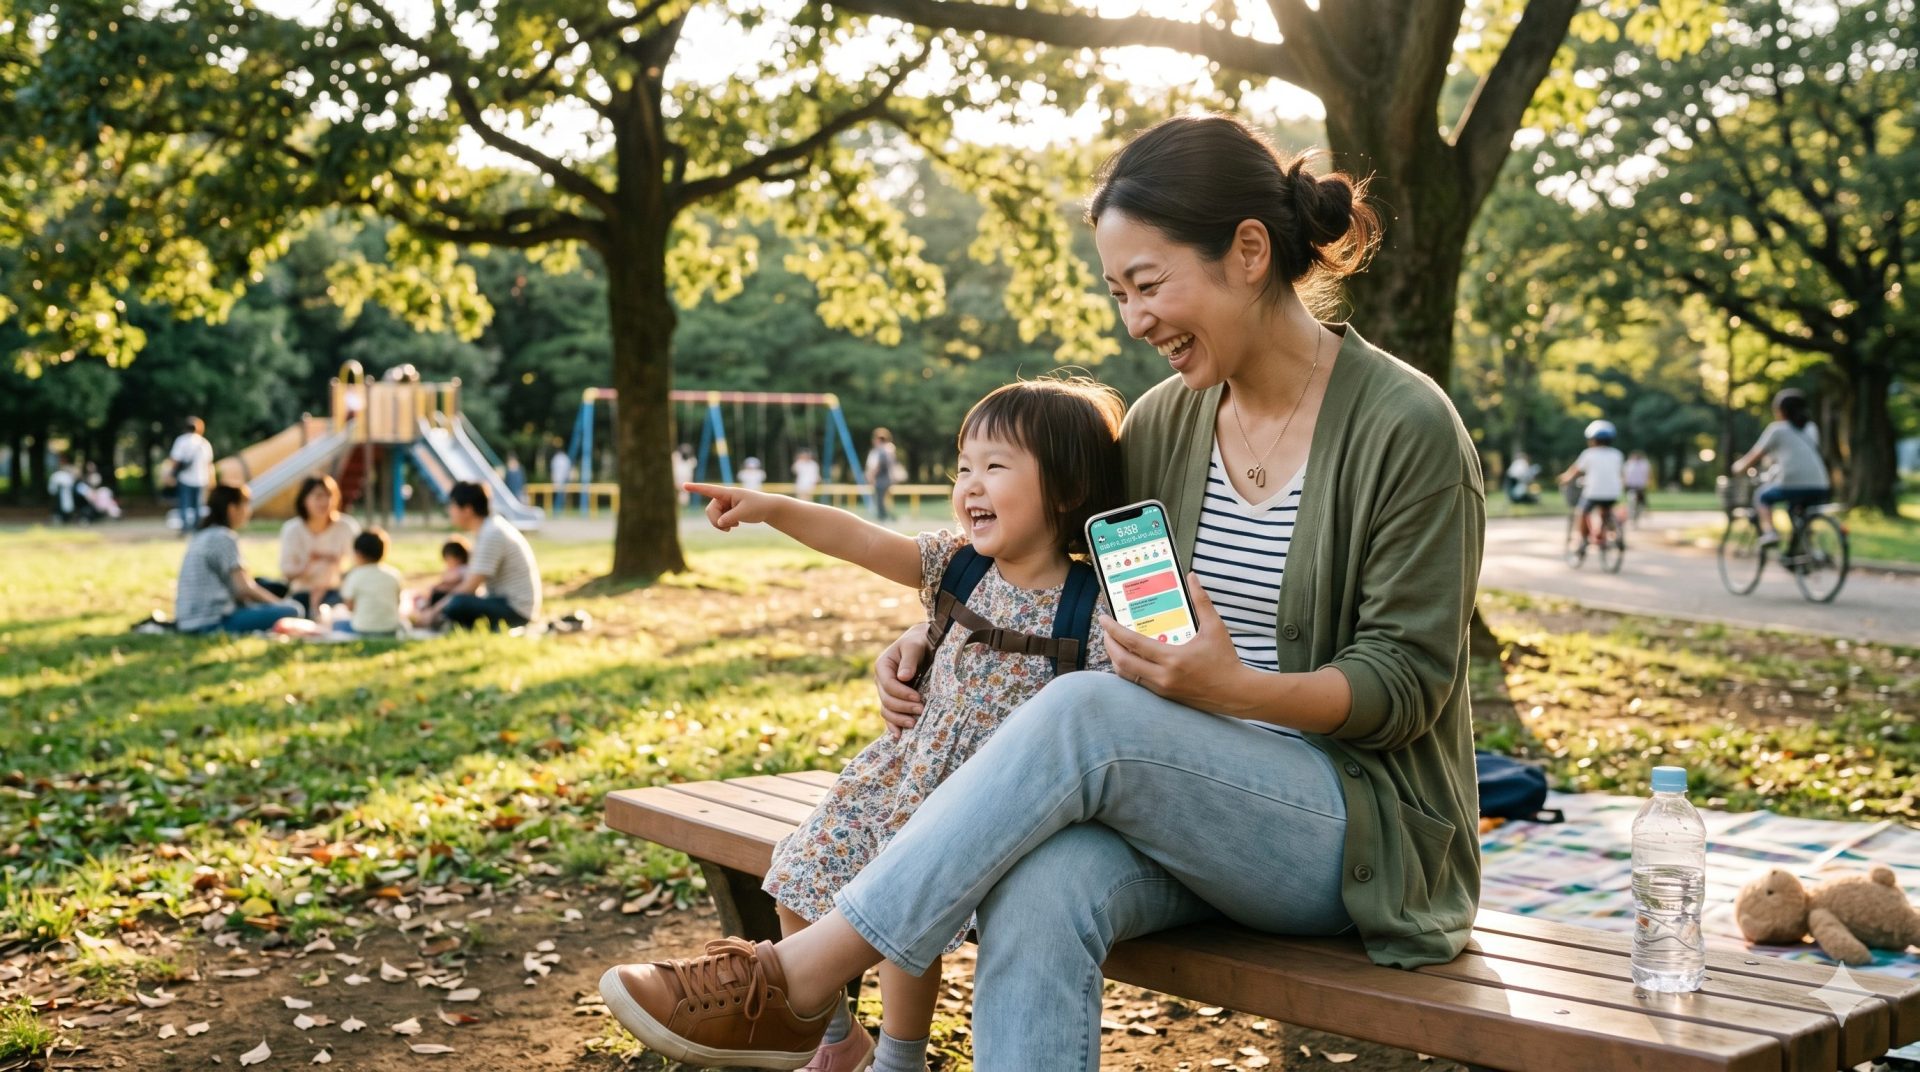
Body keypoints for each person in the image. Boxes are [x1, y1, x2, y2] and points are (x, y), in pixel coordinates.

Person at [600, 114, 1484, 1072]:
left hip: (1350, 836)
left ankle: (798, 979)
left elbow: (1406, 684)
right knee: (1037, 886)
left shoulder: (1407, 427)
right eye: (1118, 294)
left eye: (1149, 284)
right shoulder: (1162, 424)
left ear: (1248, 250)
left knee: (1087, 712)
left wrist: (1236, 691)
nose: (1134, 322)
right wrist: (936, 636)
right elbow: (1046, 572)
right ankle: (811, 991)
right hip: (1173, 808)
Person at [674, 379, 1126, 1072]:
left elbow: (1111, 719)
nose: (971, 485)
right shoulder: (959, 566)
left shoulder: (1091, 607)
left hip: (986, 809)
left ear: (1066, 490)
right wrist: (773, 508)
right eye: (964, 467)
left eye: (996, 466)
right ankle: (835, 1038)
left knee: (903, 919)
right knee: (798, 877)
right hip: (903, 775)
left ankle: (899, 1058)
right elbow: (860, 539)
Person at [174, 484, 302, 634]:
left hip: (187, 621)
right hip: (213, 622)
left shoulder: (202, 535)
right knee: (294, 609)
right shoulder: (223, 537)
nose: (249, 511)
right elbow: (243, 588)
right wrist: (278, 603)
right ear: (232, 508)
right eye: (246, 505)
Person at [422, 481, 540, 631]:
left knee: (457, 604)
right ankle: (441, 619)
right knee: (442, 597)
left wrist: (433, 611)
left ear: (467, 510)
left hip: (516, 610)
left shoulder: (492, 533)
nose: (449, 510)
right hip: (500, 601)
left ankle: (439, 620)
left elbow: (469, 587)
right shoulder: (488, 529)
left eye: (452, 505)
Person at [1730, 388, 1831, 547]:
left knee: (1761, 496)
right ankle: (1806, 548)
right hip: (1821, 484)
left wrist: (1737, 468)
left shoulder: (1777, 429)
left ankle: (1770, 532)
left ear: (1781, 411)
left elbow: (1754, 456)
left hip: (1792, 484)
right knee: (1795, 513)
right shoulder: (1811, 427)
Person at [268, 475, 361, 616]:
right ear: (304, 499)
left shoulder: (347, 526)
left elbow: (360, 565)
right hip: (303, 592)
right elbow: (286, 572)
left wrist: (338, 567)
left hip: (336, 592)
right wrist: (308, 565)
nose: (325, 502)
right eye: (318, 496)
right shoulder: (292, 529)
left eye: (329, 496)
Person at [1558, 419, 1626, 556]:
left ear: (1592, 440)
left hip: (1593, 492)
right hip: (1612, 492)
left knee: (1582, 512)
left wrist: (1564, 478)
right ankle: (1613, 532)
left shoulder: (1589, 454)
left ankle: (1583, 540)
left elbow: (1575, 471)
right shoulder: (1617, 454)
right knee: (1605, 510)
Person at [336, 529, 404, 637]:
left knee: (336, 624)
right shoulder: (394, 575)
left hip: (362, 629)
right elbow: (397, 602)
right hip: (390, 629)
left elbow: (349, 606)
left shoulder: (354, 575)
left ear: (358, 554)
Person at [168, 417, 215, 535]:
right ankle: (197, 528)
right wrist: (212, 479)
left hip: (185, 478)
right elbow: (209, 464)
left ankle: (185, 529)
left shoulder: (181, 441)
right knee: (198, 505)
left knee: (184, 504)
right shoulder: (203, 443)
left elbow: (175, 460)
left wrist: (170, 475)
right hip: (201, 478)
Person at [865, 429, 898, 522]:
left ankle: (883, 518)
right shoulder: (887, 450)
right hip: (886, 479)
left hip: (881, 479)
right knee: (882, 499)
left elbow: (878, 466)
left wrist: (871, 476)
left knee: (880, 500)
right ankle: (887, 516)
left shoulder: (883, 451)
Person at [47, 456, 80, 524]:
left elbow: (71, 484)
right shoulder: (55, 475)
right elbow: (52, 488)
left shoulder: (67, 475)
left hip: (67, 494)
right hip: (58, 496)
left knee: (67, 507)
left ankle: (67, 518)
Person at [1623, 450, 1652, 520]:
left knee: (1641, 503)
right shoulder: (1629, 463)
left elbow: (1648, 474)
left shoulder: (1644, 463)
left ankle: (1637, 515)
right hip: (1631, 486)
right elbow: (1625, 474)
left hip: (1640, 486)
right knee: (1632, 501)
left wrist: (1647, 482)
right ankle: (1632, 516)